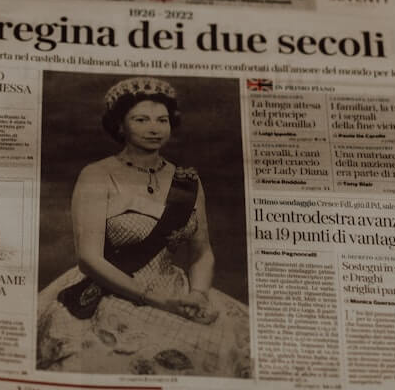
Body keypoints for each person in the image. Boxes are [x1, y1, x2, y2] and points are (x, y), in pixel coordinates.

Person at [36, 77, 251, 378]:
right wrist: (157, 301)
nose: (154, 128)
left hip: (177, 289)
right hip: (111, 291)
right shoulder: (97, 174)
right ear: (120, 126)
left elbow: (202, 251)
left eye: (162, 120)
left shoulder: (187, 181)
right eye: (141, 119)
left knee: (239, 342)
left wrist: (199, 294)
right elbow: (89, 259)